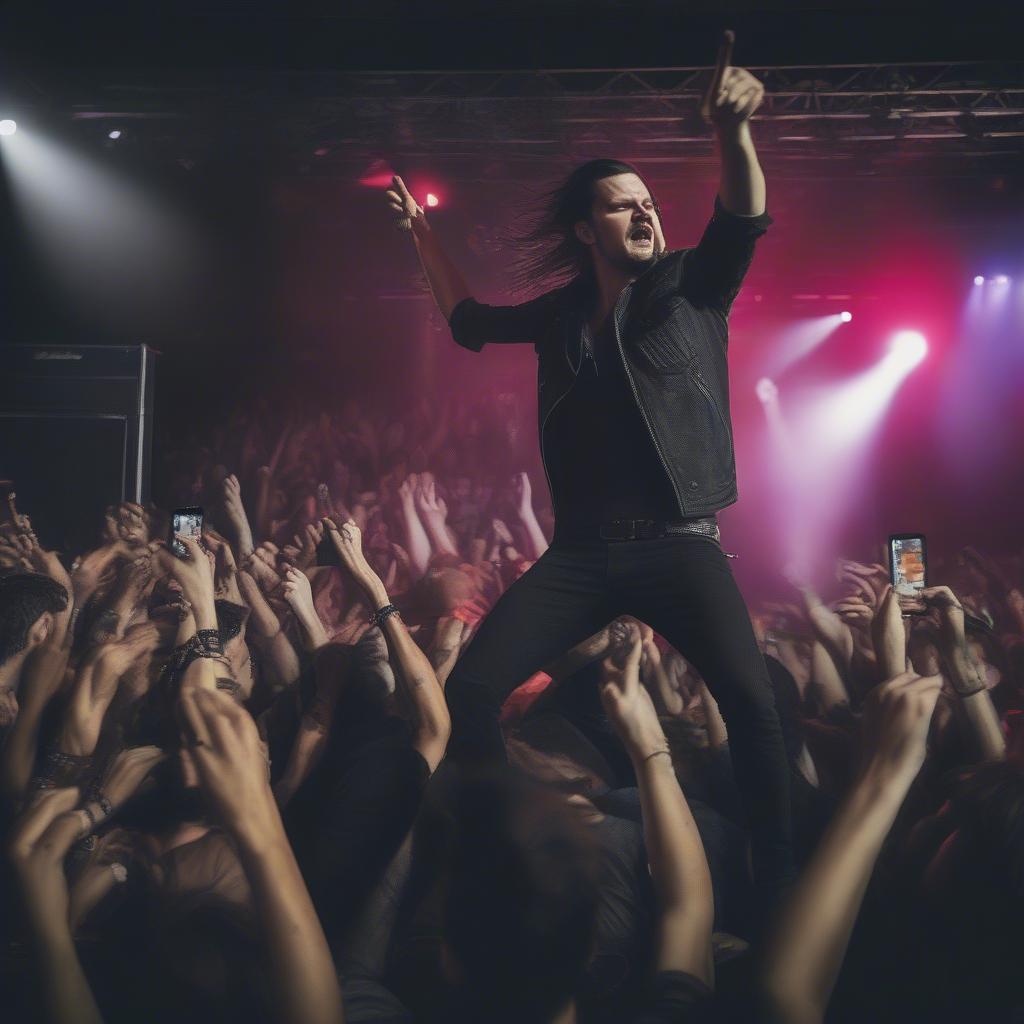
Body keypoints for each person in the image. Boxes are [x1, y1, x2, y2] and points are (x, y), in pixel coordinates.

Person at [385, 29, 794, 902]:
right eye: (620, 205)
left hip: (681, 546)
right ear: (585, 227)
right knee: (473, 694)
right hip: (580, 557)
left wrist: (733, 133)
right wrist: (424, 235)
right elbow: (466, 321)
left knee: (756, 708)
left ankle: (777, 885)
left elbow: (742, 218)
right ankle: (501, 857)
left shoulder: (692, 287)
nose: (644, 212)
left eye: (647, 202)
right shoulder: (561, 318)